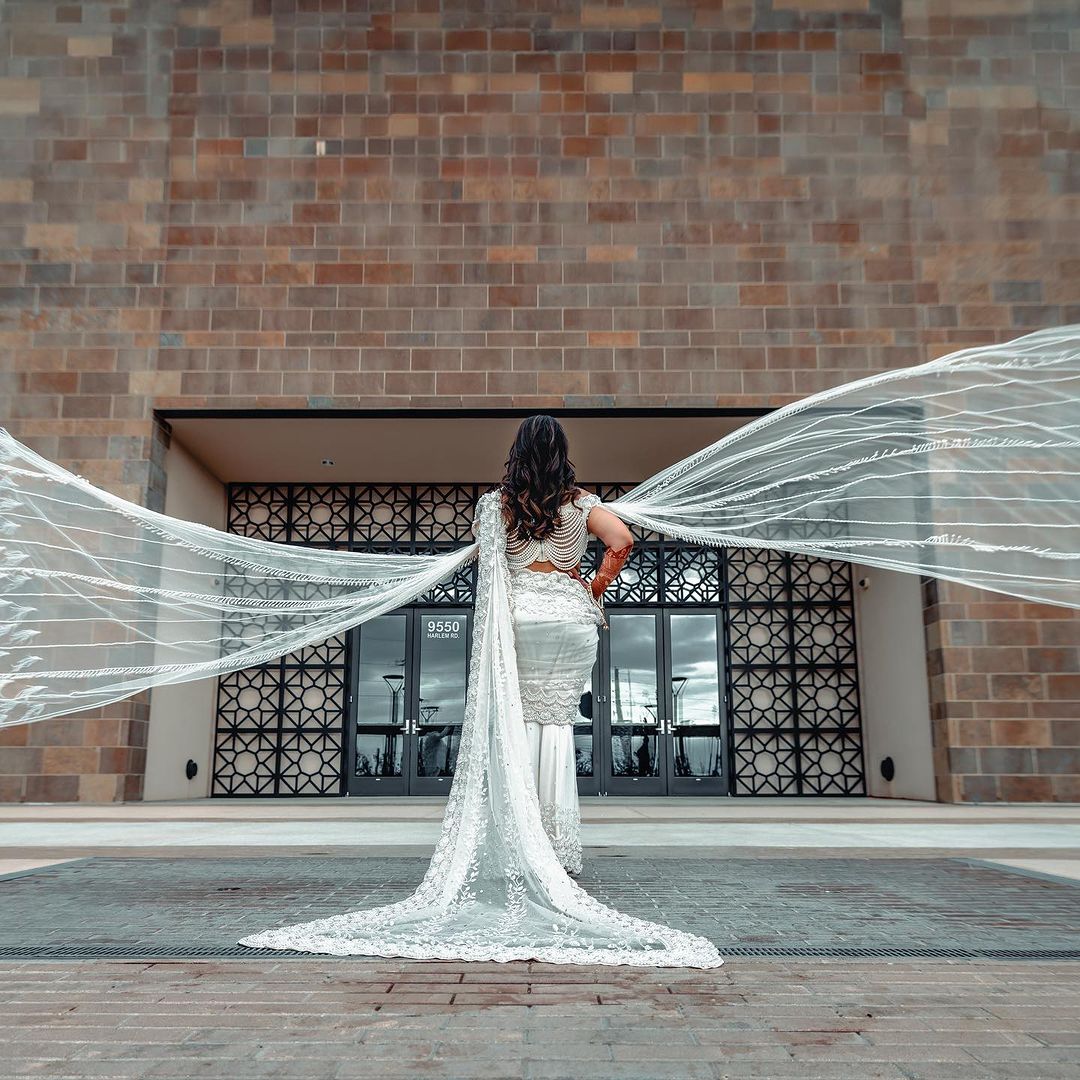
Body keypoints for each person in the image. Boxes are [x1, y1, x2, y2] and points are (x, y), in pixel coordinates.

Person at [494, 415, 634, 874]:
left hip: (520, 617)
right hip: (571, 618)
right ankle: (556, 841)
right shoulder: (582, 504)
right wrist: (594, 588)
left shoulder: (498, 506)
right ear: (561, 451)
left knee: (521, 721)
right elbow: (622, 540)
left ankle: (520, 838)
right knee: (556, 723)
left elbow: (488, 565)